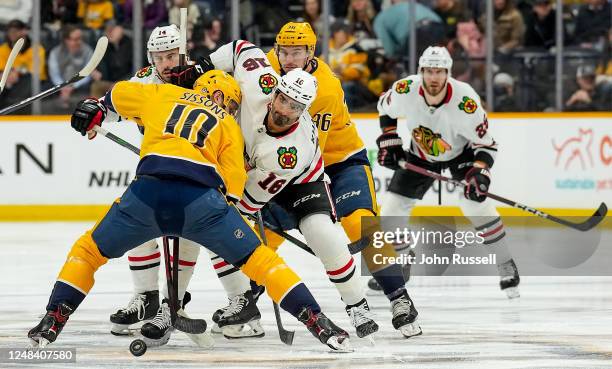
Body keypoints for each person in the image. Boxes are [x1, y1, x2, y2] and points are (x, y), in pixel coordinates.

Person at [27, 70, 352, 352]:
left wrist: (97, 111)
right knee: (263, 262)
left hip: (147, 195)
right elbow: (233, 187)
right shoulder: (229, 124)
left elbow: (118, 94)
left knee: (88, 251)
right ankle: (317, 320)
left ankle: (53, 318)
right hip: (210, 200)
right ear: (230, 102)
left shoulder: (165, 93)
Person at [200, 22, 418, 339]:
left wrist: (247, 192)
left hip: (336, 160)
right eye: (283, 51)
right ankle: (246, 299)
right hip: (278, 164)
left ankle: (398, 295)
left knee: (360, 224)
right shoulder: (267, 72)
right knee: (256, 239)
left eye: (297, 52)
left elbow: (301, 154)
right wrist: (201, 67)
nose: (288, 58)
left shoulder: (325, 89)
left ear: (311, 52)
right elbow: (239, 52)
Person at [171, 38, 379, 340]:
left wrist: (224, 203)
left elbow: (248, 202)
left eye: (295, 108)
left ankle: (357, 305)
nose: (284, 110)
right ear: (275, 91)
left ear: (304, 110)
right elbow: (240, 48)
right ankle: (243, 305)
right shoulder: (261, 83)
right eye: (283, 100)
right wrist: (200, 68)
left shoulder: (288, 152)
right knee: (225, 238)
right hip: (255, 172)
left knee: (321, 232)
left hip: (302, 183)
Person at [376, 46, 521, 299]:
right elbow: (384, 109)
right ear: (421, 71)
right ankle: (401, 259)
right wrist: (389, 138)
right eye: (429, 71)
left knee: (475, 205)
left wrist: (480, 171)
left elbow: (487, 144)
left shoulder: (466, 102)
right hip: (420, 154)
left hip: (461, 155)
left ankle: (505, 262)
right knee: (390, 212)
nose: (434, 77)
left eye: (439, 72)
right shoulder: (405, 89)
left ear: (448, 73)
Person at [102, 25, 205, 338]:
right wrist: (96, 114)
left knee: (194, 232)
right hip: (157, 167)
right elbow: (116, 106)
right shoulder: (143, 80)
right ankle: (146, 298)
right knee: (138, 220)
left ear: (182, 52)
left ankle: (176, 301)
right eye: (160, 57)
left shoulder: (201, 77)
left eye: (172, 55)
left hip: (197, 167)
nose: (166, 63)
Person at [0, 20, 47, 113]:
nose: (12, 34)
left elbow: (35, 70)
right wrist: (5, 76)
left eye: (15, 31)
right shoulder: (3, 49)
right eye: (10, 31)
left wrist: (17, 72)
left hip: (30, 82)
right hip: (8, 82)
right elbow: (1, 68)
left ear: (24, 31)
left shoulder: (37, 49)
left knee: (28, 81)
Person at [47, 25, 94, 110]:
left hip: (81, 86)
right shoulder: (55, 52)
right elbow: (54, 74)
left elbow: (89, 73)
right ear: (66, 40)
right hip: (59, 86)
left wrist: (73, 86)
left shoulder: (88, 50)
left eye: (80, 38)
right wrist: (63, 86)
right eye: (76, 39)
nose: (79, 41)